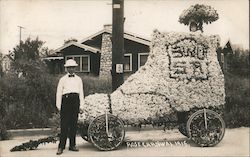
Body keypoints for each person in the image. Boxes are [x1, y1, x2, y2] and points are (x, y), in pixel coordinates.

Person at [56, 59, 84, 155]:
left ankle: (72, 145)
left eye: (72, 67)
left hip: (75, 101)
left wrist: (81, 106)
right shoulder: (62, 79)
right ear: (66, 69)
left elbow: (81, 93)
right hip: (66, 102)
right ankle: (61, 147)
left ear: (75, 68)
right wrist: (59, 106)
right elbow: (59, 93)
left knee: (73, 124)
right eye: (69, 68)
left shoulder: (79, 79)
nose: (71, 69)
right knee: (64, 125)